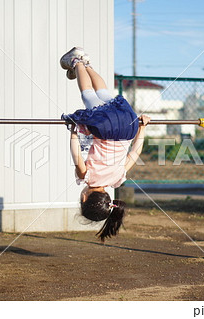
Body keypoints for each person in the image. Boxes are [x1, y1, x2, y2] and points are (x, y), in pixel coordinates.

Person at [60, 47, 150, 242]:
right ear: (84, 198)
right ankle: (77, 62)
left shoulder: (117, 179)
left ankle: (88, 64)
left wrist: (141, 128)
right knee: (89, 96)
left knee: (104, 93)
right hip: (106, 129)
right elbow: (76, 155)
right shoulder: (88, 177)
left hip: (129, 127)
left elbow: (135, 153)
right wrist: (73, 131)